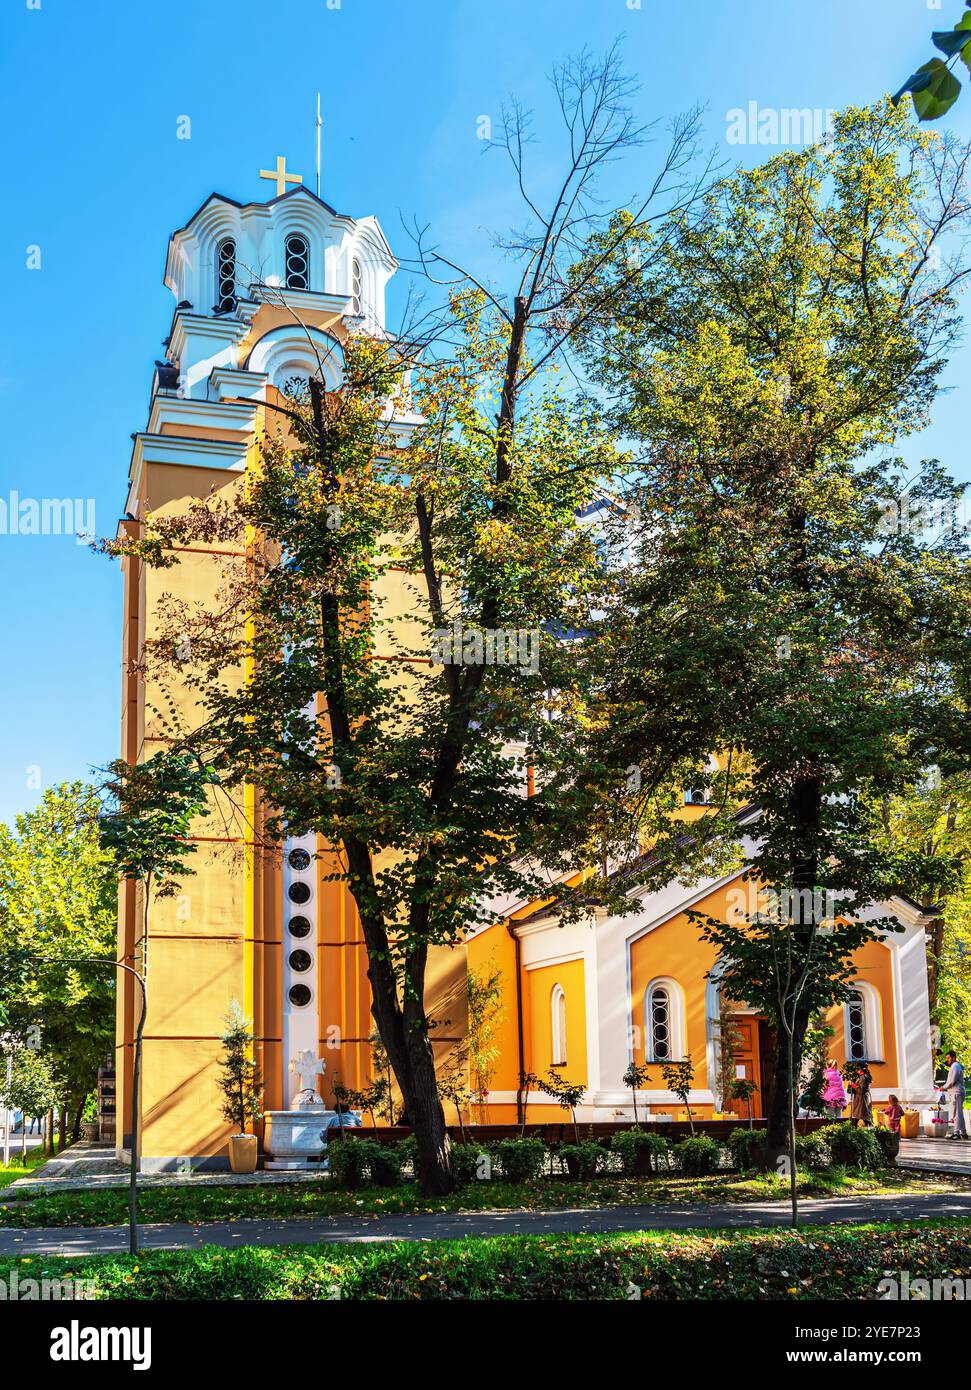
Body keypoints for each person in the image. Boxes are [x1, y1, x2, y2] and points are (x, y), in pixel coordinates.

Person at [942, 1050, 967, 1140]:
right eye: (947, 1058)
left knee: (956, 1113)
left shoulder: (955, 1066)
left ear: (954, 1057)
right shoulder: (956, 1066)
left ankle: (956, 1133)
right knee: (959, 1113)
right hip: (956, 1092)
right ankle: (963, 1132)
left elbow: (952, 1081)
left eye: (949, 1058)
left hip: (956, 1092)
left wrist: (944, 1087)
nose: (947, 1060)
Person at [848, 1063, 873, 1128]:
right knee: (862, 1116)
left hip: (861, 1099)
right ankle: (869, 1129)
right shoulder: (865, 1076)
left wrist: (852, 1084)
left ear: (860, 1069)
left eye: (858, 1069)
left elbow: (861, 1090)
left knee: (860, 1116)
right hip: (862, 1098)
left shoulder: (862, 1077)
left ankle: (855, 1130)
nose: (857, 1071)